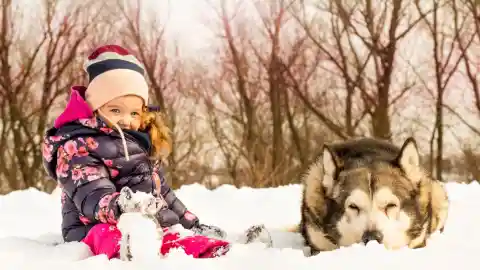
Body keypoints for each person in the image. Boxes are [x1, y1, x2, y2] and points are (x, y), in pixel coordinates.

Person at [41, 44, 229, 259]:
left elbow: (164, 194)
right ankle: (132, 249)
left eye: (134, 113)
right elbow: (91, 193)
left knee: (173, 239)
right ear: (95, 108)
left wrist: (190, 223)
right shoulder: (77, 146)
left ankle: (215, 249)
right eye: (115, 110)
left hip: (145, 224)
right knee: (108, 234)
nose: (126, 119)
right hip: (91, 228)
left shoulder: (138, 146)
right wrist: (123, 205)